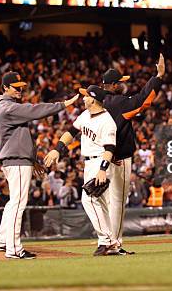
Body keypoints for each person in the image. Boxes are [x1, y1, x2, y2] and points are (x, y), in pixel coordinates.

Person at [0, 71, 78, 259]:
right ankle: (13, 249)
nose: (21, 90)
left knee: (13, 201)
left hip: (16, 158)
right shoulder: (7, 107)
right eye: (16, 87)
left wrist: (32, 160)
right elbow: (35, 110)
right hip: (15, 160)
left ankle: (1, 240)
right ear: (5, 88)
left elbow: (20, 137)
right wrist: (62, 105)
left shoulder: (7, 106)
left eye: (21, 86)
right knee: (18, 203)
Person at [101, 53, 164, 255]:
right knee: (118, 202)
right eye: (119, 82)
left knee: (105, 202)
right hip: (118, 158)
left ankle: (105, 240)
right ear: (111, 85)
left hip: (99, 158)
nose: (122, 84)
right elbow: (143, 99)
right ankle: (114, 243)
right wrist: (159, 76)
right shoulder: (117, 102)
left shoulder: (97, 101)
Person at [45, 85, 119, 256]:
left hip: (101, 162)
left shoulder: (107, 121)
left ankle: (105, 240)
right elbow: (71, 132)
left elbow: (109, 148)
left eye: (86, 96)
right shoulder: (85, 115)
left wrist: (102, 169)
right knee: (101, 204)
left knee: (89, 200)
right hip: (89, 163)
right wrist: (58, 149)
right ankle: (112, 243)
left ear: (93, 99)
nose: (83, 98)